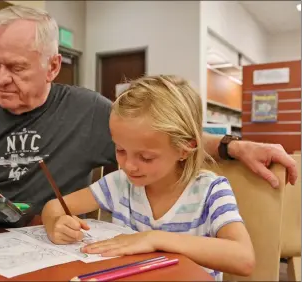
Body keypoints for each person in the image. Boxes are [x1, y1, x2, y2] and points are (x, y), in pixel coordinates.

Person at [0, 5, 297, 213]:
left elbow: (167, 138)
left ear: (53, 67)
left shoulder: (86, 110)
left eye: (17, 68)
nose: (1, 79)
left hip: (55, 243)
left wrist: (234, 145)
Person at [41, 75, 255, 280]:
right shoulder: (119, 184)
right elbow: (54, 207)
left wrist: (155, 238)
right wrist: (55, 224)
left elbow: (243, 259)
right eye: (120, 150)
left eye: (145, 157)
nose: (129, 166)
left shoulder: (211, 191)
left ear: (184, 149)